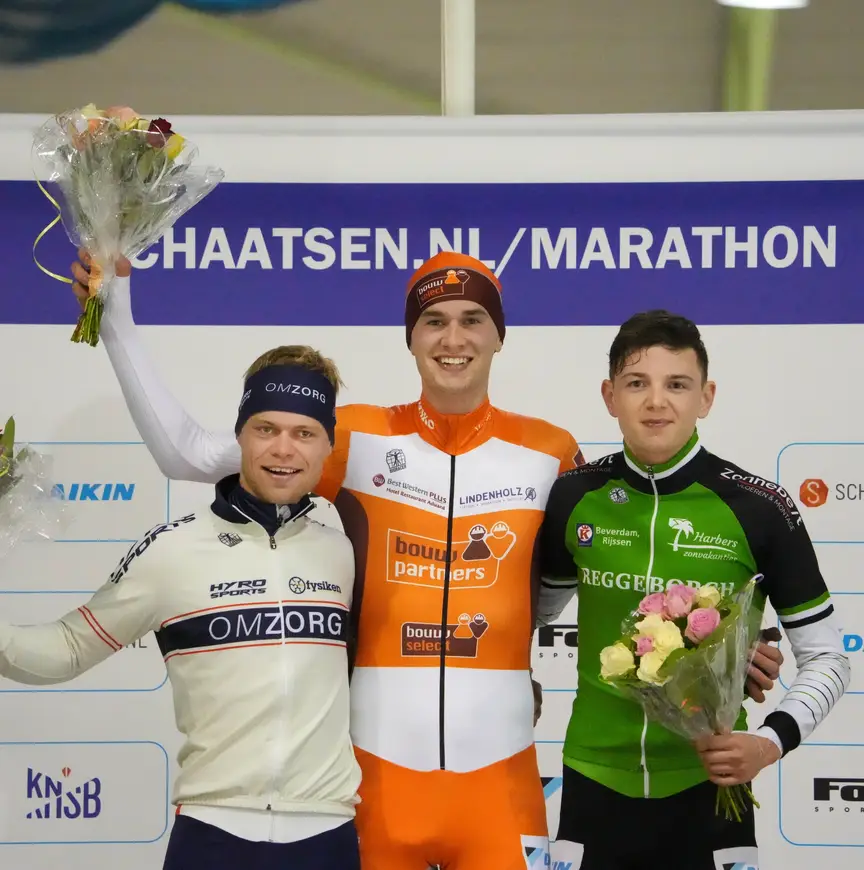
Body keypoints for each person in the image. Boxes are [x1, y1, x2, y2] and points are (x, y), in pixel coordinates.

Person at [68, 251, 782, 869]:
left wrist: (717, 643)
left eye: (473, 319)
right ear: (410, 337)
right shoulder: (353, 436)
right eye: (434, 321)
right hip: (375, 781)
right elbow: (188, 454)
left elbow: (619, 561)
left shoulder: (551, 451)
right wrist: (115, 310)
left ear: (499, 336)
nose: (453, 338)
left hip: (500, 785)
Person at [0, 344, 362, 870]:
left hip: (326, 837)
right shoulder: (171, 550)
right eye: (265, 429)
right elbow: (67, 649)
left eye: (304, 433)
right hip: (214, 834)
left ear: (328, 444)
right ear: (239, 434)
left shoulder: (342, 552)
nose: (284, 449)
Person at [539, 309, 851, 870]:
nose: (657, 402)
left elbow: (829, 656)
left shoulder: (760, 507)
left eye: (677, 385)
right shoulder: (572, 498)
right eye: (637, 383)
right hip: (592, 780)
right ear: (610, 396)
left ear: (706, 397)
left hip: (710, 785)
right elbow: (522, 616)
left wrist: (769, 742)